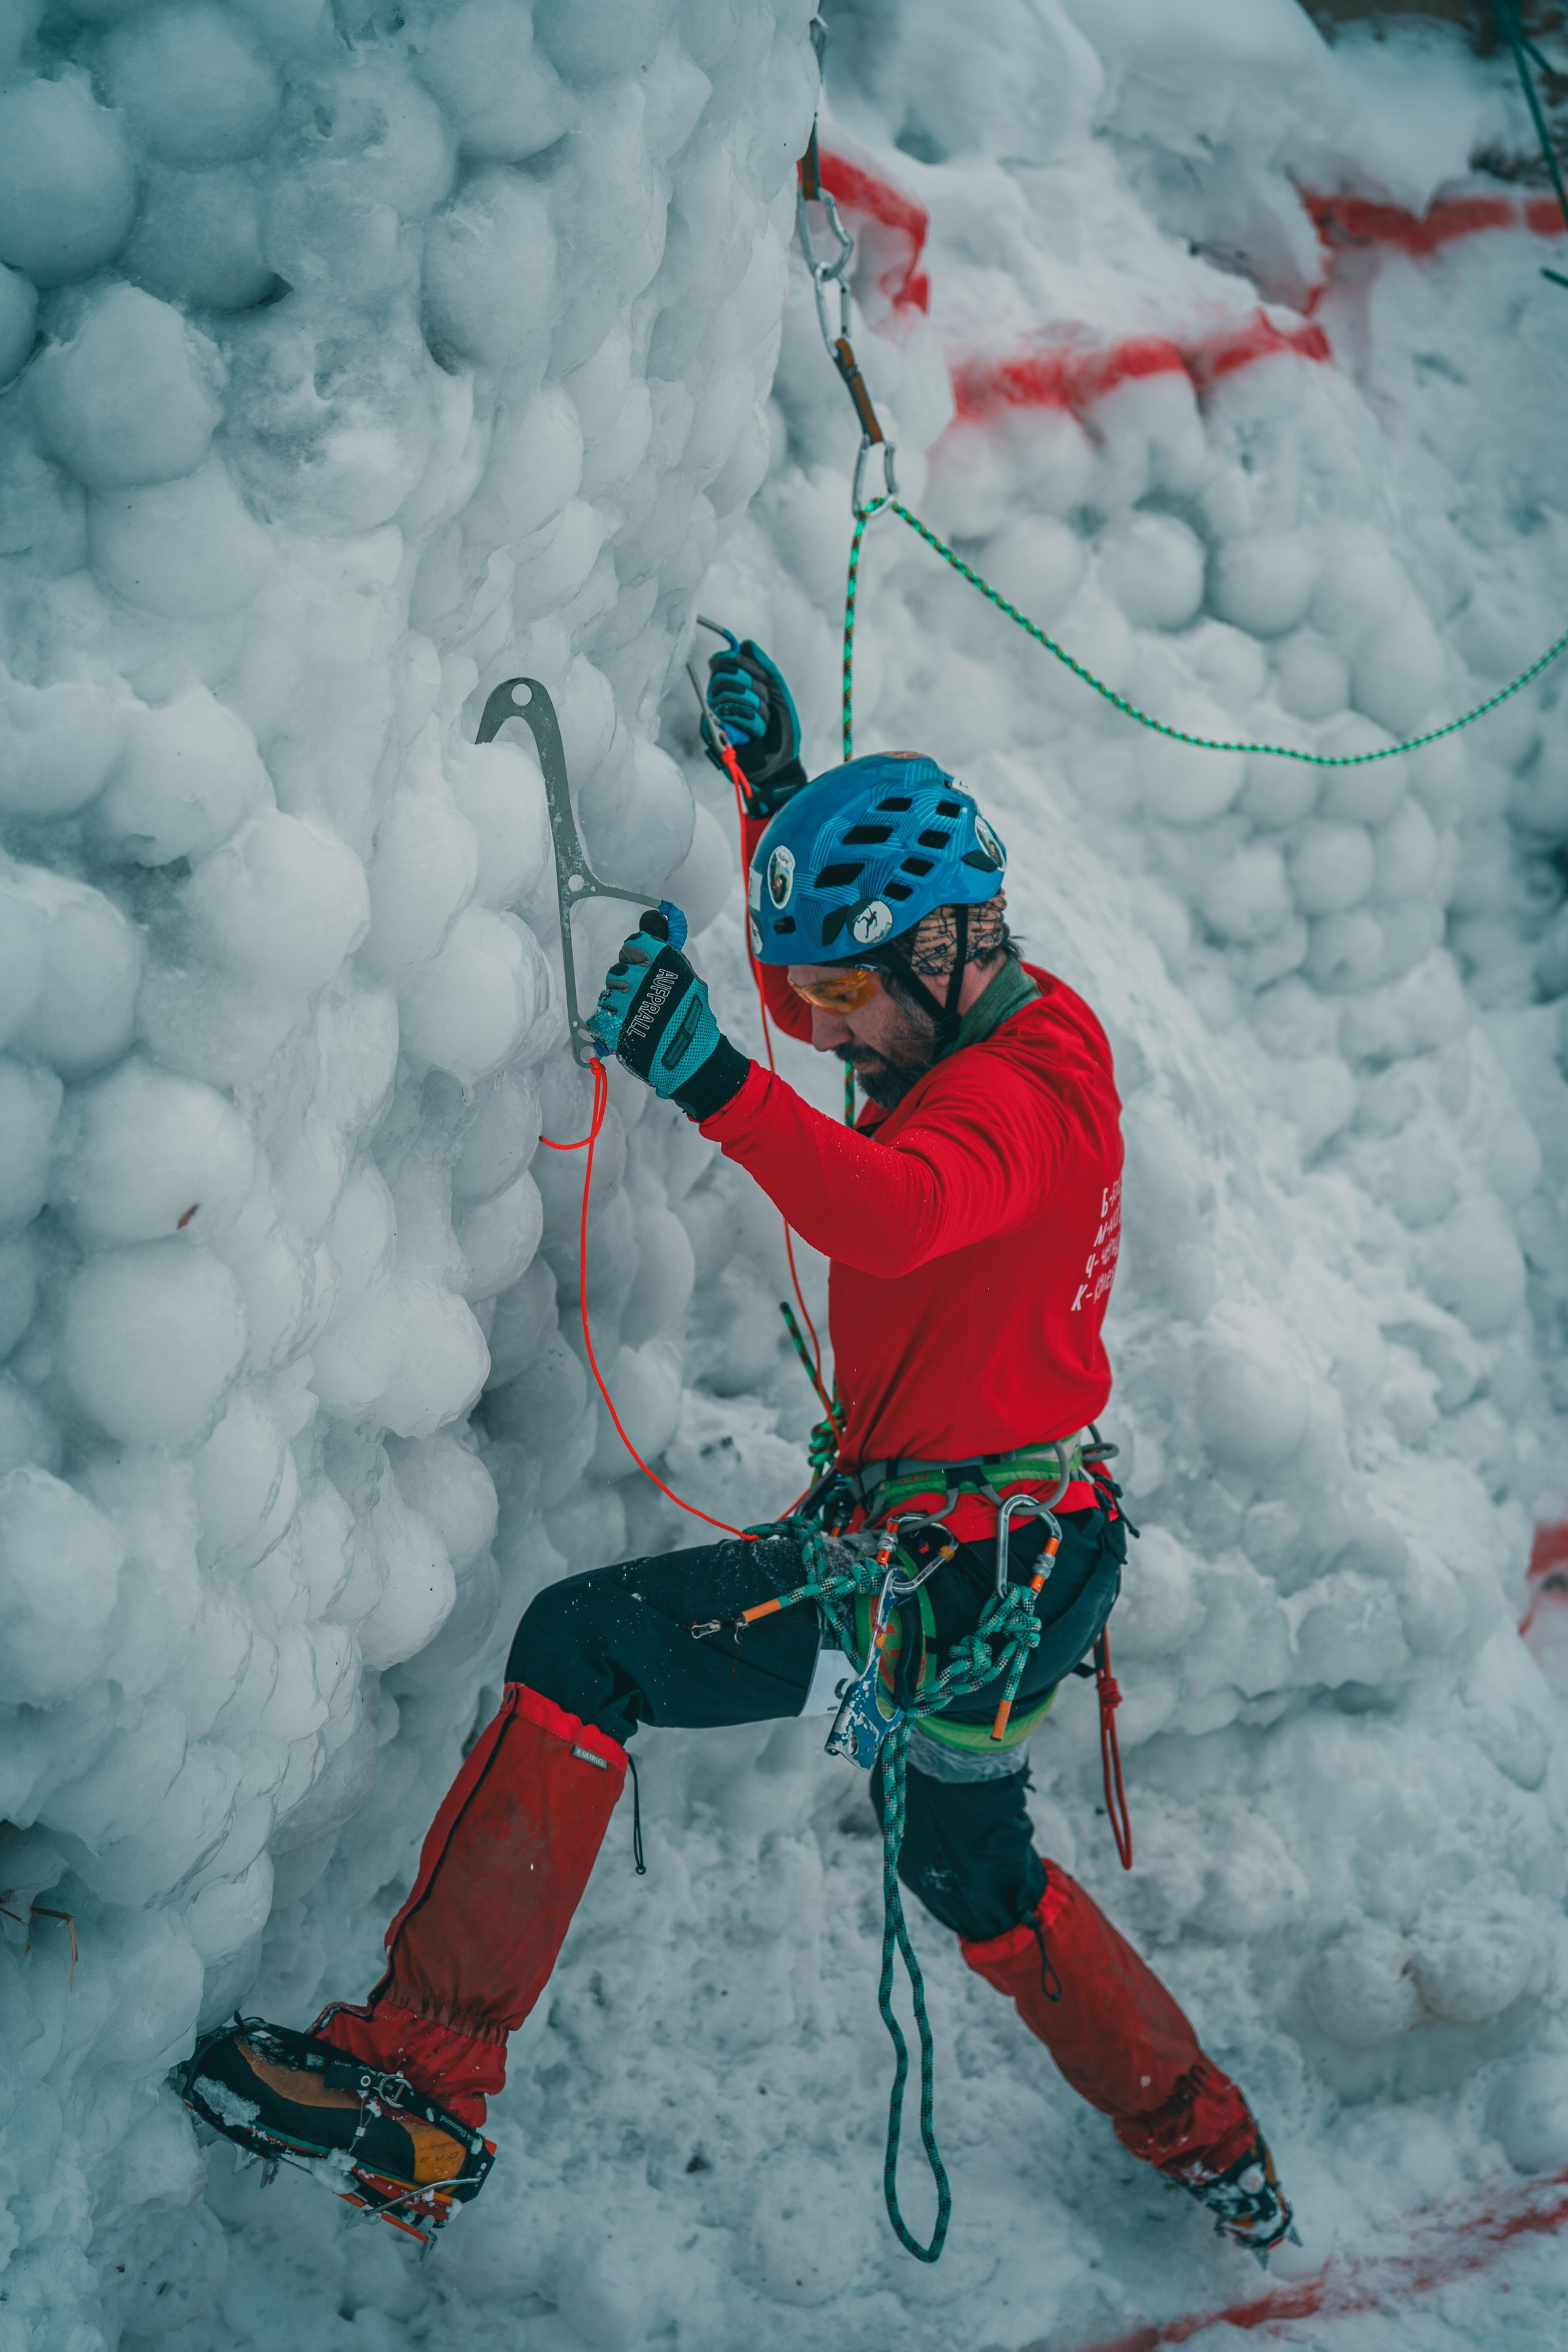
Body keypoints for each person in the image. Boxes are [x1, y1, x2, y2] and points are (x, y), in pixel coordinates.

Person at [179, 641, 1295, 2262]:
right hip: (996, 1550)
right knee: (965, 1862)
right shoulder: (973, 1017)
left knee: (592, 1647)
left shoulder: (1022, 1103)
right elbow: (832, 1011)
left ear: (938, 951)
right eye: (820, 1000)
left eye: (848, 996)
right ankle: (1208, 2139)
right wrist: (773, 797)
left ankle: (422, 2078)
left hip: (961, 1569)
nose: (826, 1030)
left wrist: (700, 1070)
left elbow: (889, 1211)